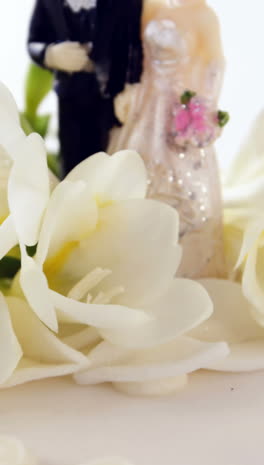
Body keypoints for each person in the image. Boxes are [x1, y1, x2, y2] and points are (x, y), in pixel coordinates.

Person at [108, 0, 227, 279]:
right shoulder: (151, 7)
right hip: (148, 100)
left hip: (179, 103)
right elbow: (136, 55)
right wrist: (131, 90)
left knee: (182, 177)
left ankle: (184, 261)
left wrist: (204, 107)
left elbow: (215, 64)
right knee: (137, 167)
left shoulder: (203, 15)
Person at [28, 0, 143, 174]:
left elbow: (135, 44)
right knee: (71, 160)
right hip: (69, 95)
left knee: (107, 159)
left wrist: (130, 86)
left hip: (109, 95)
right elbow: (34, 41)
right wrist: (49, 54)